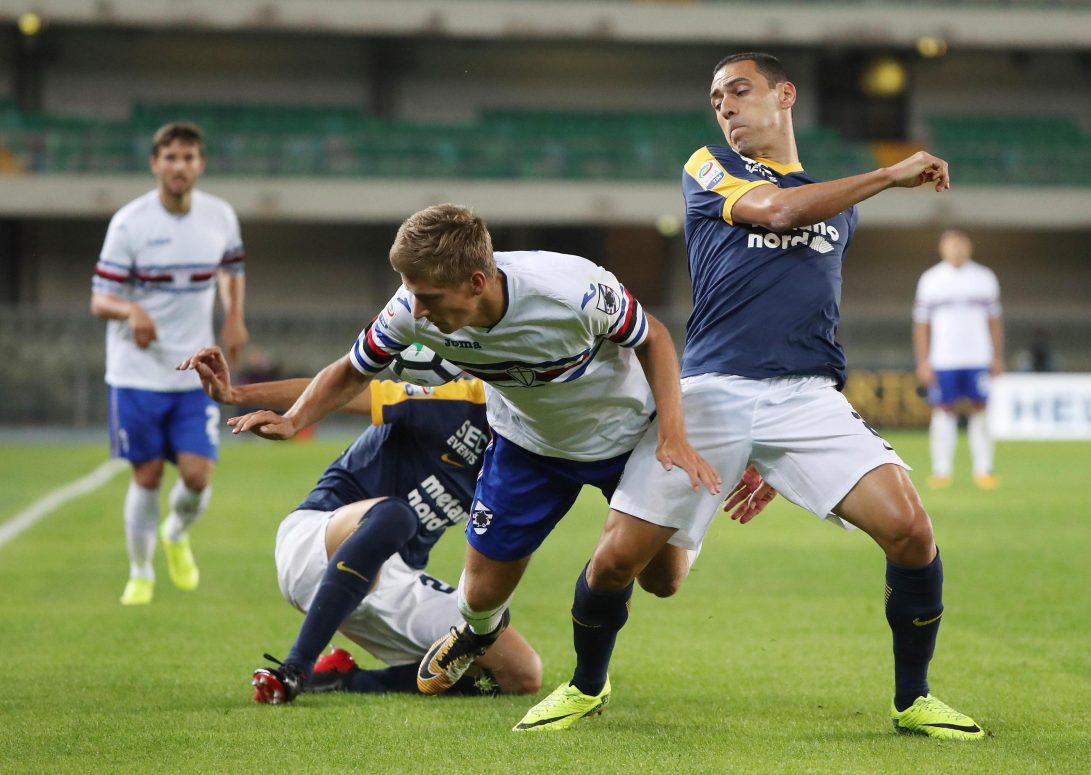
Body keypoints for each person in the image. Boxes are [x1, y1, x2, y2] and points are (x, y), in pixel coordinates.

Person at [510, 52, 984, 739]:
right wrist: (888, 173)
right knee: (628, 563)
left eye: (739, 91)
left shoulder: (838, 210)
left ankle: (913, 697)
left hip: (806, 396)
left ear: (784, 94)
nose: (725, 107)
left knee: (911, 530)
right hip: (712, 390)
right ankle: (586, 684)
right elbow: (778, 211)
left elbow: (812, 310)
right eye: (716, 98)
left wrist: (776, 450)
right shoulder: (708, 167)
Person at [223, 204, 718, 709]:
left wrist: (673, 433)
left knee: (663, 581)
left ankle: (688, 525)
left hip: (621, 436)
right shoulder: (410, 311)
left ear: (477, 282)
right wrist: (294, 418)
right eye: (411, 293)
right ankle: (475, 635)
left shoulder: (570, 291)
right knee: (479, 597)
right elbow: (353, 372)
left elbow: (653, 336)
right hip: (530, 446)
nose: (415, 310)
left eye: (427, 298)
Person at [177, 346, 541, 702]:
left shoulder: (528, 450)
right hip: (318, 541)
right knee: (395, 516)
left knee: (521, 673)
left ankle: (345, 679)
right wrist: (235, 393)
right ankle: (295, 668)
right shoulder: (456, 399)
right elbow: (346, 390)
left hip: (397, 579)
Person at [90, 121, 248, 606]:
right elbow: (100, 299)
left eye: (189, 157)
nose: (180, 166)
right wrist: (131, 309)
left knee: (198, 477)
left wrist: (236, 317)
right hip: (136, 373)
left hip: (192, 370)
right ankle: (140, 572)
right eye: (171, 158)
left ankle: (175, 532)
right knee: (148, 476)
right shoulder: (129, 223)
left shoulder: (219, 216)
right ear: (155, 163)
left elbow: (231, 269)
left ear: (200, 164)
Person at [913, 228, 1004, 490]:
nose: (956, 249)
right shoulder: (931, 279)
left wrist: (996, 356)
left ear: (969, 247)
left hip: (978, 357)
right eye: (950, 245)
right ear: (942, 249)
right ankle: (942, 470)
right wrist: (923, 360)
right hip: (943, 359)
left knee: (981, 411)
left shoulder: (984, 278)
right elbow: (921, 324)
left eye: (960, 244)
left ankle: (984, 469)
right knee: (944, 411)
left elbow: (994, 320)